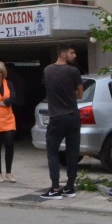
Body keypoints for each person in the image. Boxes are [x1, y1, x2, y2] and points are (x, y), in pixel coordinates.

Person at [41, 43, 84, 200]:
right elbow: (80, 93)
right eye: (72, 53)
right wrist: (72, 93)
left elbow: (50, 89)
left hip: (57, 117)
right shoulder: (74, 71)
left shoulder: (47, 70)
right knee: (73, 152)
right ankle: (70, 187)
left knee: (53, 152)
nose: (75, 55)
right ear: (63, 54)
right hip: (73, 116)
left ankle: (55, 188)